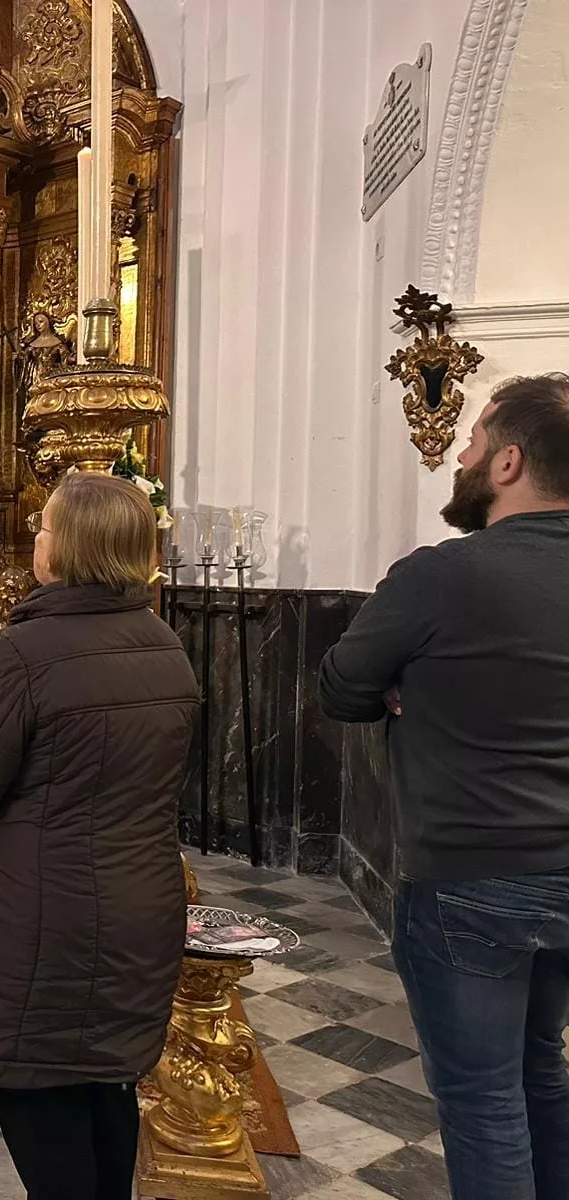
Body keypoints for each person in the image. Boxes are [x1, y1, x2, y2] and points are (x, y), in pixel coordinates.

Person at [0, 473, 199, 1200]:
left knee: (39, 1094)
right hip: (139, 907)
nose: (35, 540)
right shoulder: (164, 646)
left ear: (67, 548)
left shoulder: (21, 656)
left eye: (43, 530)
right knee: (104, 1084)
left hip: (41, 920)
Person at [319, 375, 569, 1200]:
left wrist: (412, 686)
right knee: (542, 1075)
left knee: (484, 1103)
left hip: (472, 873)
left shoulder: (444, 575)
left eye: (470, 440)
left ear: (508, 461)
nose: (457, 454)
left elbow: (343, 686)